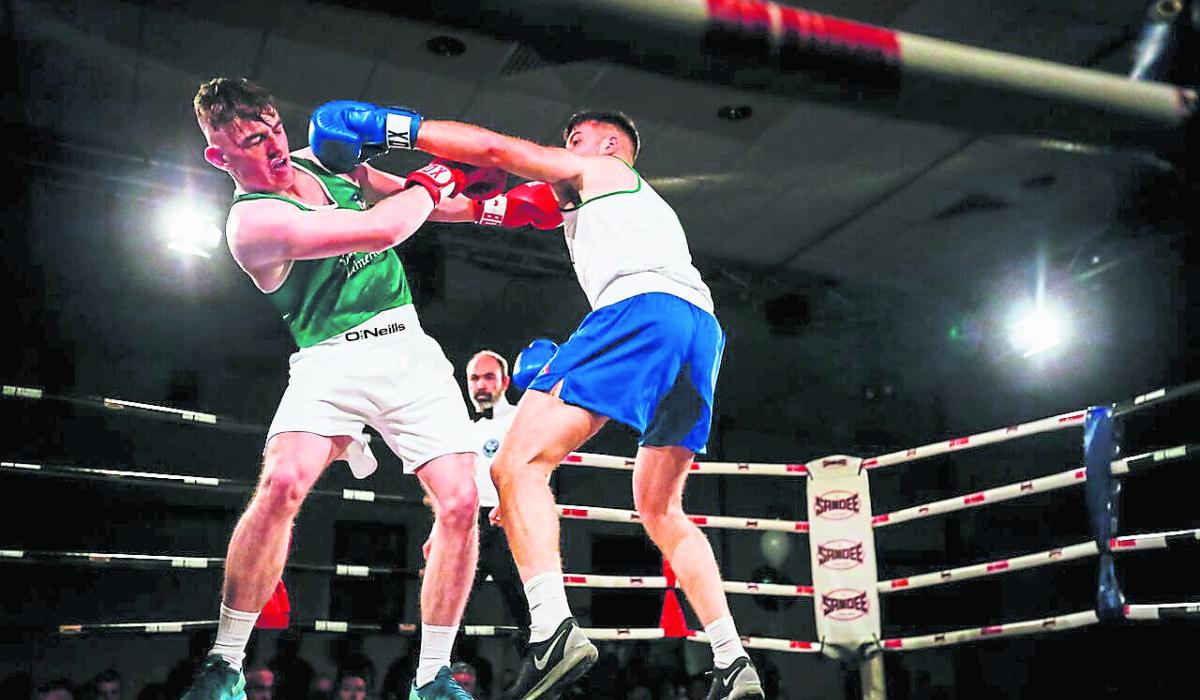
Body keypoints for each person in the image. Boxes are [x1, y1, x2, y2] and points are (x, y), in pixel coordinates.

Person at [308, 104, 763, 699]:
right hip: (701, 332)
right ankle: (733, 662)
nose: (567, 148)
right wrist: (363, 179)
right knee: (660, 509)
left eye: (577, 140)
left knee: (514, 466)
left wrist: (389, 128)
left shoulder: (601, 172)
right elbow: (457, 206)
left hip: (640, 308)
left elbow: (496, 150)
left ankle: (552, 630)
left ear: (607, 148)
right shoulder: (606, 206)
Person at [185, 77, 501, 700]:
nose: (274, 144)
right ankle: (224, 662)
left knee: (463, 505)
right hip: (330, 360)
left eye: (274, 127)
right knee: (281, 482)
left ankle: (433, 676)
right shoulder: (251, 224)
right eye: (253, 140)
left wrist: (502, 210)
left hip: (407, 347)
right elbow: (384, 228)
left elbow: (423, 202)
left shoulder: (320, 161)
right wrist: (432, 180)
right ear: (221, 157)